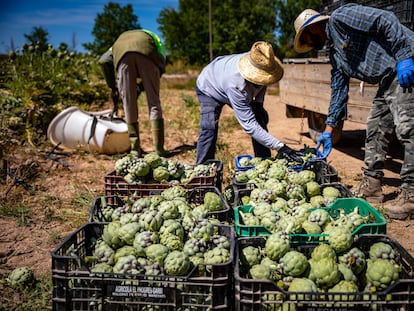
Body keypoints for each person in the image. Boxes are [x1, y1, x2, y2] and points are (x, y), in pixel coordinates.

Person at [293, 5, 414, 219]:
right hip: (386, 79)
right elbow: (339, 91)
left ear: (312, 31)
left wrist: (404, 55)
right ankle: (372, 187)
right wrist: (329, 130)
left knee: (407, 129)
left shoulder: (341, 18)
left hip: (404, 66)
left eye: (307, 41)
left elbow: (385, 19)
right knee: (375, 129)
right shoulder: (336, 55)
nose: (310, 46)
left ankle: (411, 194)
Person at [195, 41, 304, 165]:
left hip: (227, 82)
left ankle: (264, 160)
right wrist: (281, 147)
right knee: (209, 127)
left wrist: (258, 104)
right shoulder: (235, 85)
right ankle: (203, 168)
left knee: (260, 120)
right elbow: (249, 125)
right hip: (209, 87)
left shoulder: (262, 59)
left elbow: (264, 83)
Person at [99, 29, 170, 157]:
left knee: (128, 105)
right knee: (153, 102)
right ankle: (159, 150)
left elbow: (104, 61)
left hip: (123, 57)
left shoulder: (119, 40)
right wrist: (148, 82)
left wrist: (113, 86)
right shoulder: (153, 36)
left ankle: (135, 149)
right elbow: (161, 61)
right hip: (148, 54)